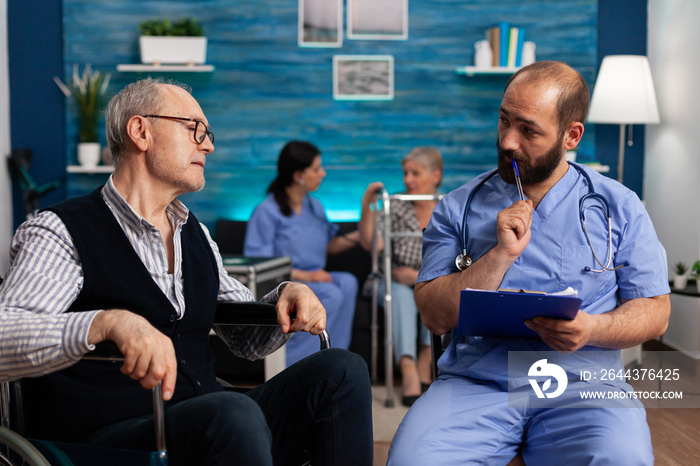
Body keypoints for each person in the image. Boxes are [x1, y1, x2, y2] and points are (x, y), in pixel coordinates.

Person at [0, 78, 373, 466]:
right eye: (194, 128)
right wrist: (106, 323)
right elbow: (4, 336)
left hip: (207, 423)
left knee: (342, 370)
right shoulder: (60, 230)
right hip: (108, 439)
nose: (208, 144)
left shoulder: (192, 232)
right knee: (231, 412)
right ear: (141, 131)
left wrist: (285, 298)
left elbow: (247, 340)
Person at [387, 61, 671, 465]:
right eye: (503, 121)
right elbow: (433, 314)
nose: (507, 141)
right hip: (479, 382)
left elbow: (656, 312)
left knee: (620, 457)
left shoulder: (619, 207)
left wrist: (593, 328)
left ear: (571, 135)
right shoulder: (457, 208)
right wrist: (499, 256)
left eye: (528, 129)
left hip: (582, 384)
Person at [244, 141, 359, 366]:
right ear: (299, 175)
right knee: (332, 295)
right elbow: (261, 265)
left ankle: (336, 356)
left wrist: (364, 232)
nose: (322, 173)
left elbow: (331, 244)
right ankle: (298, 363)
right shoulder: (266, 212)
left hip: (316, 277)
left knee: (349, 282)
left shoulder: (315, 206)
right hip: (286, 283)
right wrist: (309, 277)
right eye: (317, 169)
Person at [357, 147, 443, 406]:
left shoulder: (447, 206)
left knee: (431, 291)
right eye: (405, 173)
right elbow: (372, 244)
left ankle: (425, 365)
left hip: (427, 279)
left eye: (415, 173)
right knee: (404, 295)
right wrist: (367, 204)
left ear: (435, 176)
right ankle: (408, 371)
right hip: (389, 281)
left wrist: (417, 277)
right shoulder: (394, 204)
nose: (408, 180)